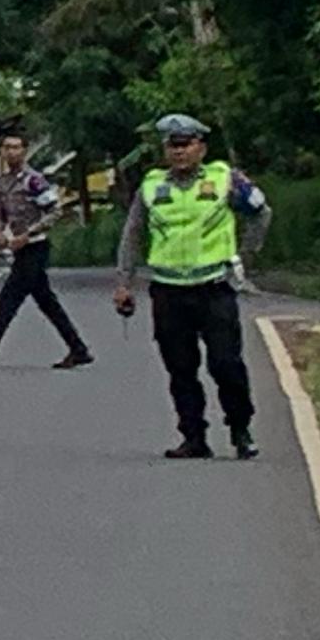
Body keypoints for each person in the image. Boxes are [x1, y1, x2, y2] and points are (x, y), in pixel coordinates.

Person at [112, 115, 270, 460]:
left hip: (214, 286)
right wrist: (124, 282)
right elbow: (133, 234)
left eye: (185, 144)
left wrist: (244, 258)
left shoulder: (224, 178)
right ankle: (193, 436)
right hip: (169, 290)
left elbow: (261, 213)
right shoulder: (151, 186)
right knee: (180, 368)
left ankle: (240, 428)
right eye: (172, 145)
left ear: (201, 147)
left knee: (226, 363)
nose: (179, 151)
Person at [0, 124, 92, 370]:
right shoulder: (4, 181)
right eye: (7, 148)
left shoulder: (34, 181)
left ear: (24, 151)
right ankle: (78, 348)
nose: (11, 152)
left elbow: (54, 211)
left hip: (35, 246)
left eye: (16, 148)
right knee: (46, 302)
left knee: (9, 299)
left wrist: (30, 232)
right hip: (19, 247)